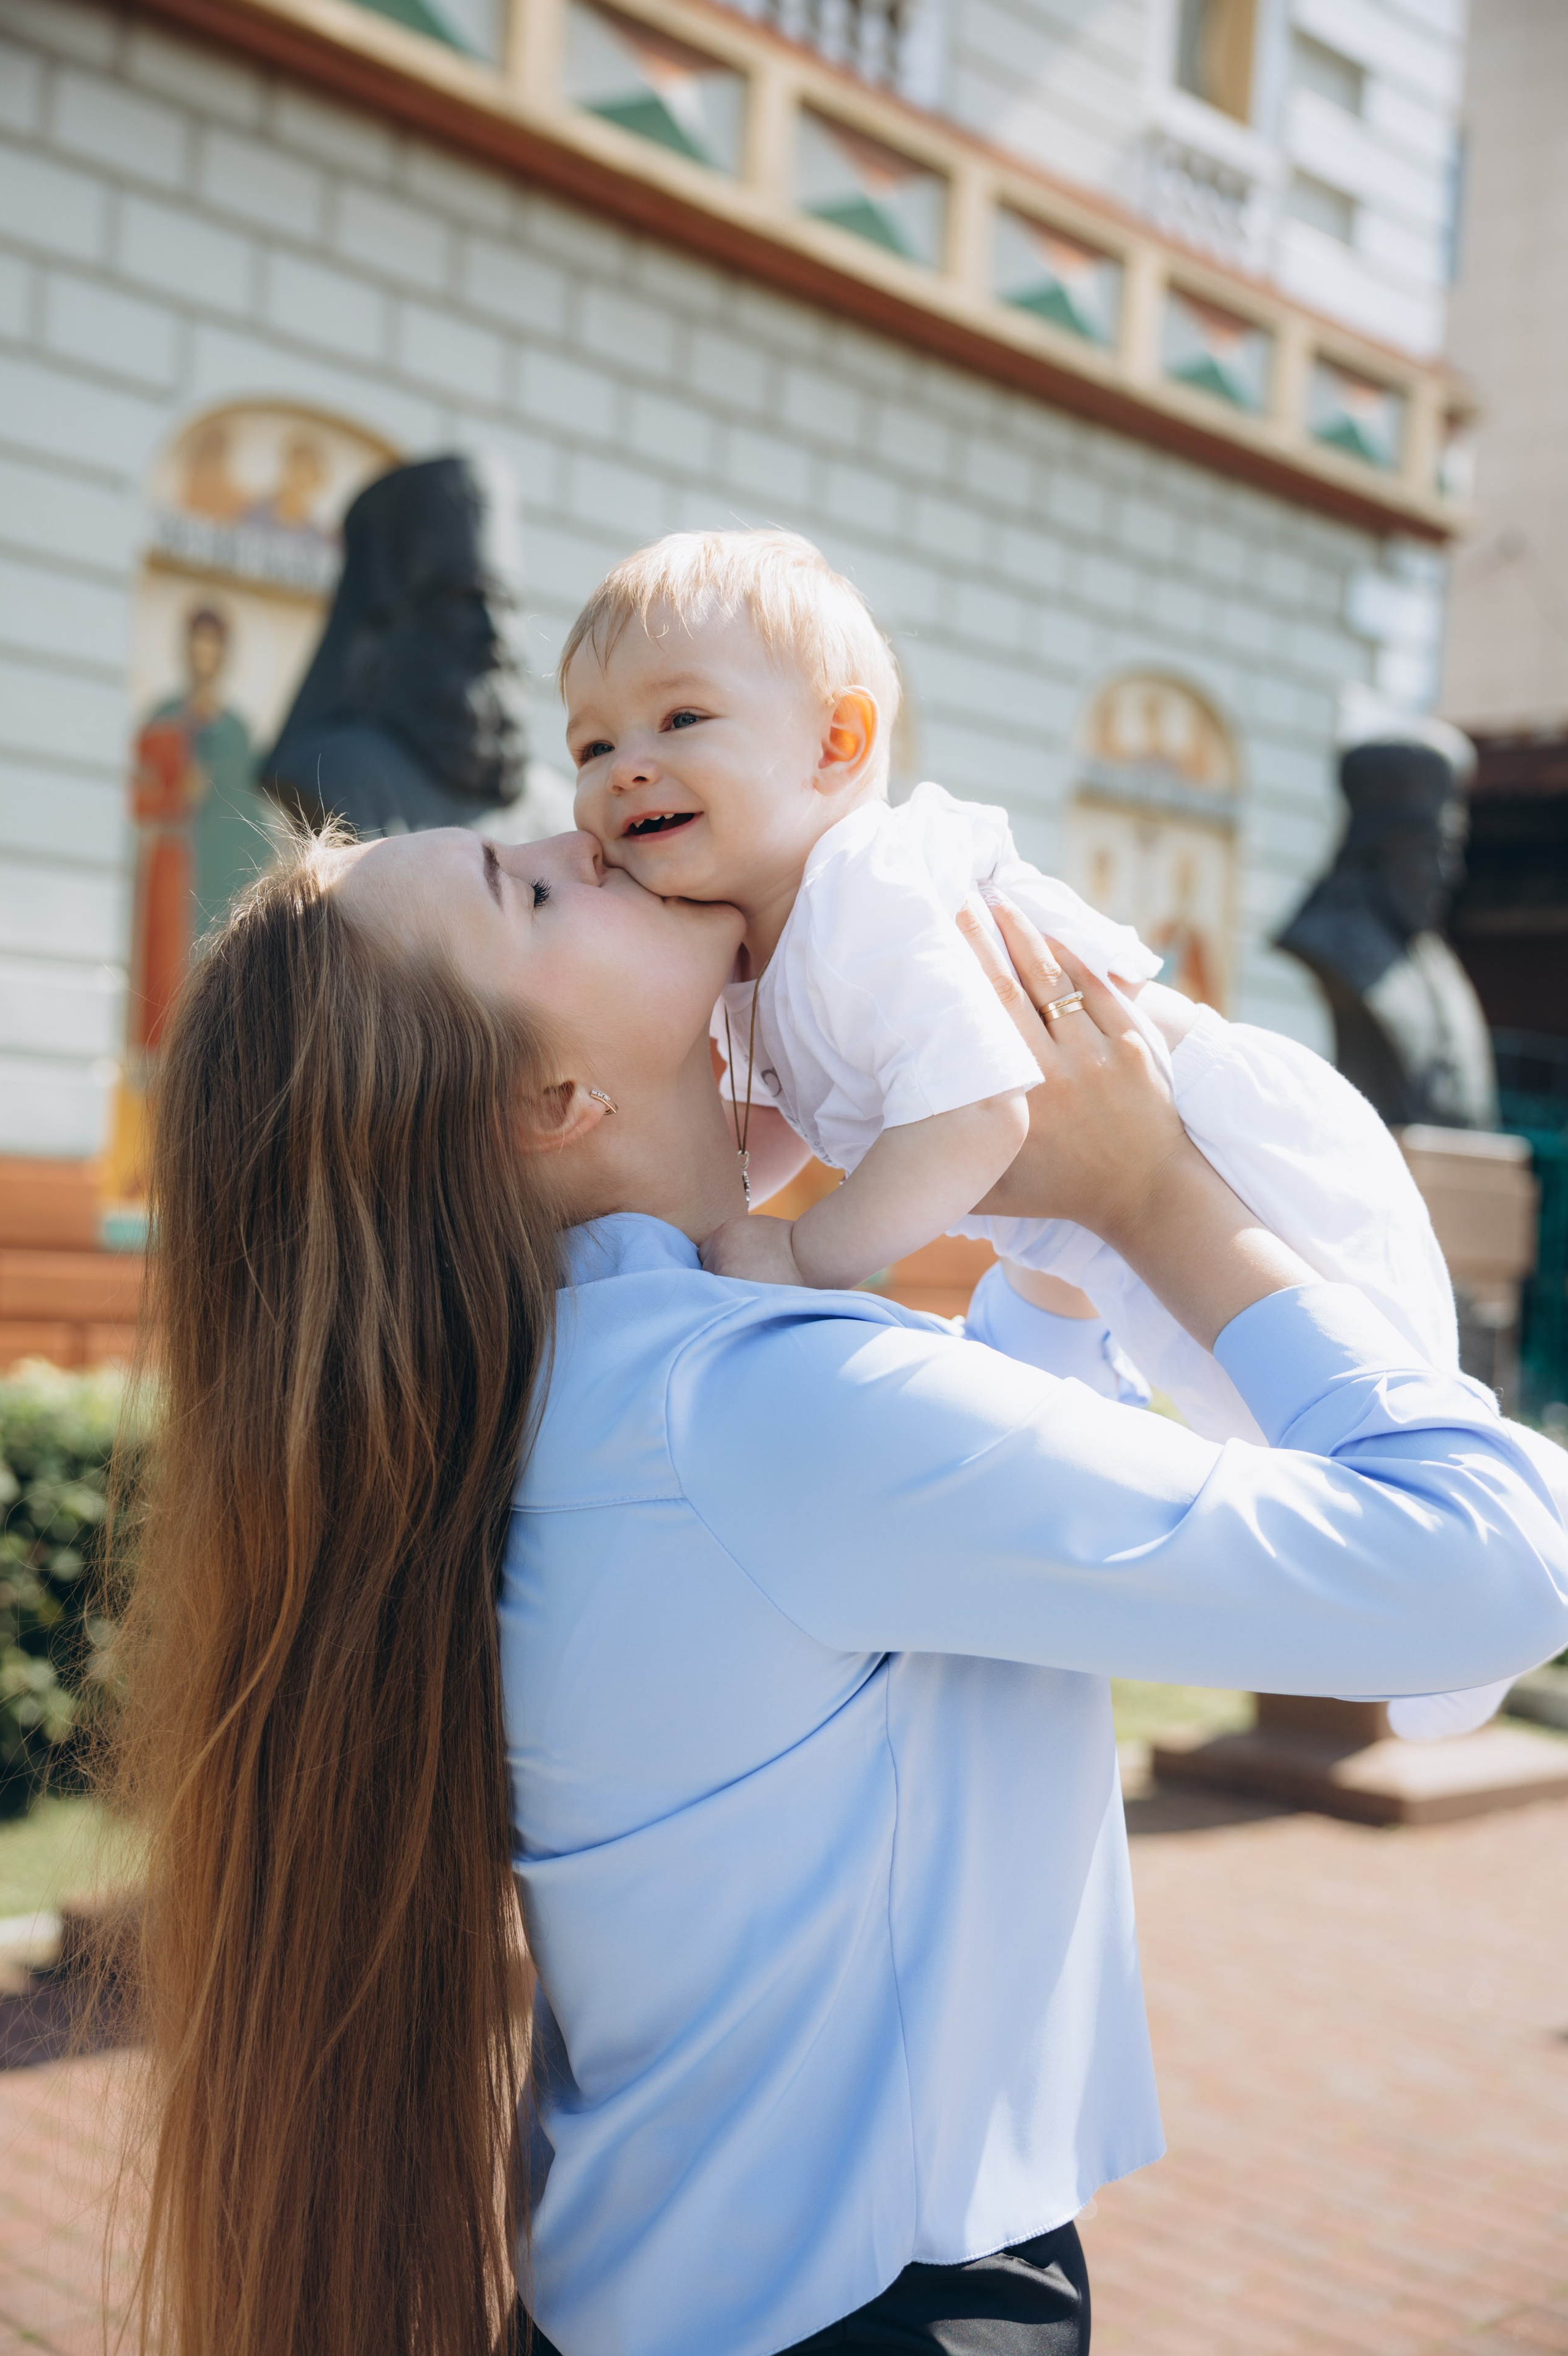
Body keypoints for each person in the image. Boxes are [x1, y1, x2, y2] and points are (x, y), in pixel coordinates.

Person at [112, 818, 1568, 2356]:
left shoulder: (596, 1391)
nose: (583, 827)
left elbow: (898, 1591)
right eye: (527, 892)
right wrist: (1152, 1198)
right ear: (555, 1096)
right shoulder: (745, 1411)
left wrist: (1047, 1243)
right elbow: (1493, 1563)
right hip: (872, 2318)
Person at [564, 531, 1456, 1448]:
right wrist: (690, 1223)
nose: (625, 765)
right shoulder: (759, 942)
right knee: (1284, 1456)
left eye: (681, 721)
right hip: (1105, 1211)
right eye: (592, 744)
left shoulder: (860, 893)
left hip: (1236, 1155)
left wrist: (805, 1251)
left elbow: (981, 1108)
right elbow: (777, 1121)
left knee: (1370, 1438)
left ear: (837, 743)